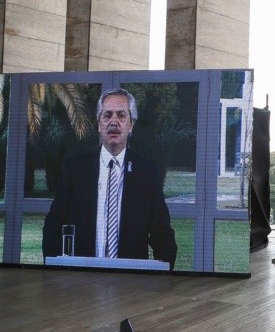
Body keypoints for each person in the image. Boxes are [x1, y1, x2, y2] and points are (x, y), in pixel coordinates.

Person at [43, 88, 178, 268]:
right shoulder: (75, 170)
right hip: (81, 279)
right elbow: (53, 227)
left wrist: (162, 279)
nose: (113, 122)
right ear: (99, 124)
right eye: (107, 115)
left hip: (131, 283)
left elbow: (162, 235)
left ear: (131, 125)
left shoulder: (147, 173)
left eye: (121, 115)